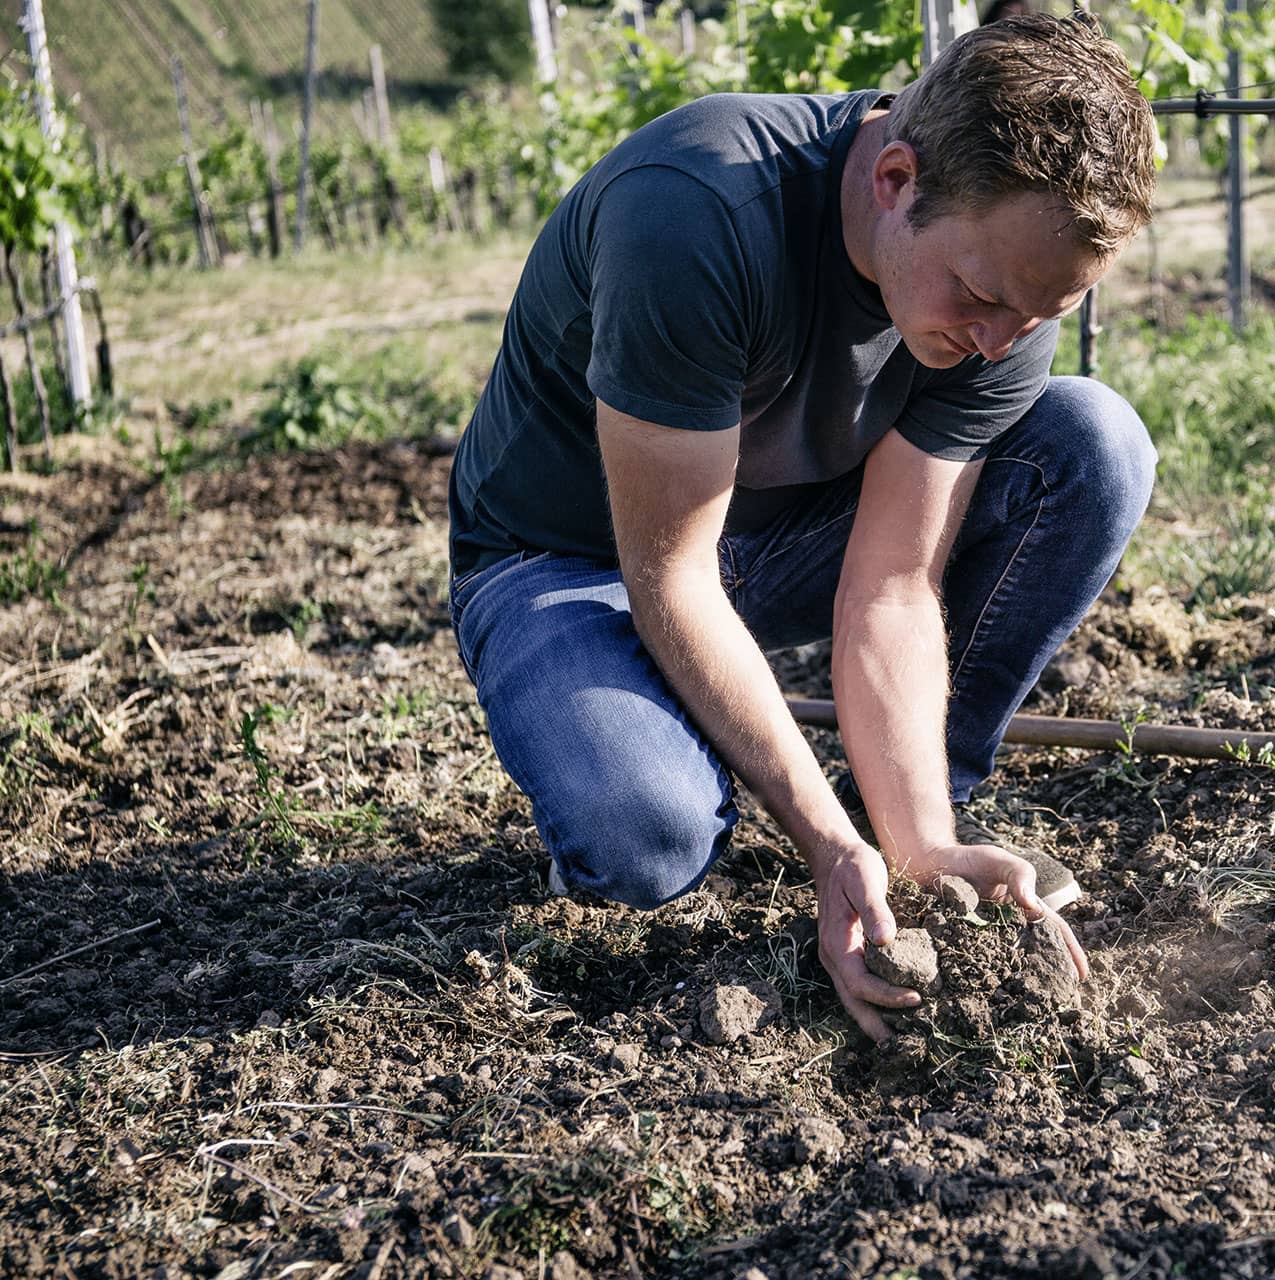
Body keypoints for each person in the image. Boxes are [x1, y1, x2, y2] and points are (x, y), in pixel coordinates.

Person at [446, 14, 1159, 1042]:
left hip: (769, 543)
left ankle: (909, 825)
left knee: (1090, 443)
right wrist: (821, 847)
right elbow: (673, 581)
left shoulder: (1008, 304)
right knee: (650, 831)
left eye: (1041, 313)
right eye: (981, 296)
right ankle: (702, 771)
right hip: (576, 559)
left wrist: (916, 847)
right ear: (895, 179)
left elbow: (893, 583)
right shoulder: (695, 215)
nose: (1001, 340)